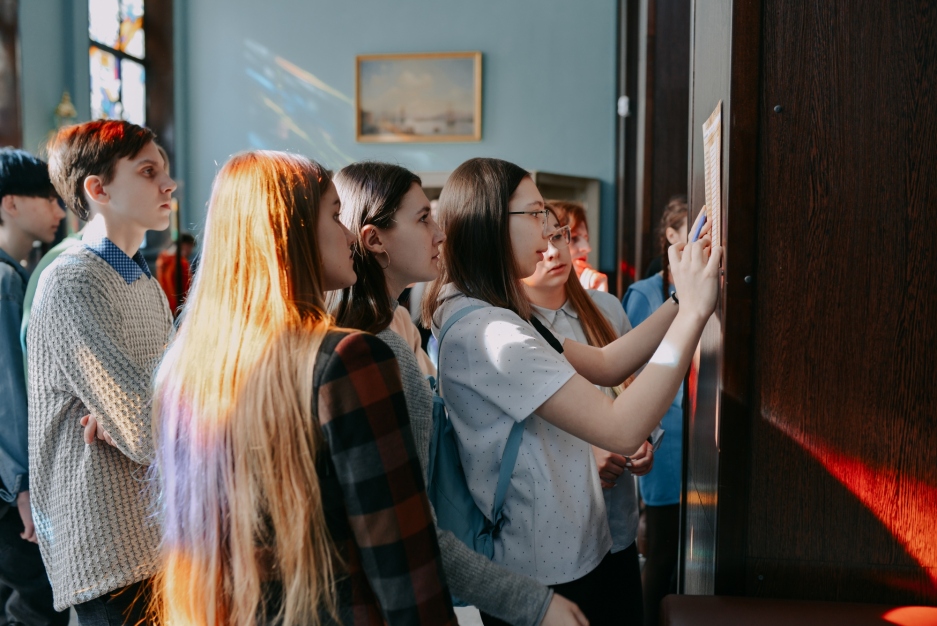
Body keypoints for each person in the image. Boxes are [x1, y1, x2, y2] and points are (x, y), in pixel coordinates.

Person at [152, 151, 456, 626]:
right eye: (335, 216)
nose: (349, 235)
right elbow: (403, 560)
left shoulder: (181, 368)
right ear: (287, 233)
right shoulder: (348, 359)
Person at [423, 158, 720, 625]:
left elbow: (606, 363)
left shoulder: (491, 308)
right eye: (535, 214)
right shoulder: (490, 333)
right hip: (543, 565)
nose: (548, 232)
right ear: (492, 222)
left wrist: (683, 299)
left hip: (570, 546)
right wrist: (695, 313)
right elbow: (622, 428)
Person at [333, 161, 587, 626]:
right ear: (374, 239)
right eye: (423, 219)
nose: (439, 234)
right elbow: (409, 525)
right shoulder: (379, 350)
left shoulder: (393, 327)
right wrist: (533, 604)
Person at [28, 120, 176, 623]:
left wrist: (136, 413)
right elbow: (145, 427)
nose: (168, 184)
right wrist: (134, 416)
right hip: (108, 547)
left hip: (156, 536)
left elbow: (167, 398)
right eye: (148, 171)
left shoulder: (141, 279)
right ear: (98, 189)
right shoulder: (72, 281)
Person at [522, 206, 654, 625]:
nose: (552, 252)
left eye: (558, 237)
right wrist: (586, 454)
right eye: (539, 244)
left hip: (618, 526)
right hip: (557, 540)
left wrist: (642, 439)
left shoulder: (606, 307)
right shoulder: (517, 328)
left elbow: (636, 389)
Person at [0, 148, 68, 626]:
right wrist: (25, 487)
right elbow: (9, 396)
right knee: (37, 605)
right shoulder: (7, 280)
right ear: (10, 204)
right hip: (12, 490)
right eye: (47, 197)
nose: (59, 210)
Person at [621, 196, 688, 626]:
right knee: (661, 550)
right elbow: (625, 372)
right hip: (664, 434)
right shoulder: (645, 294)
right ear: (671, 235)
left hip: (696, 433)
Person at [547, 200, 608, 292]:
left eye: (586, 239)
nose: (587, 248)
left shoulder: (595, 284)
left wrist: (599, 295)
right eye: (574, 238)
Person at [155, 231, 195, 316]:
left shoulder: (162, 259)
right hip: (179, 308)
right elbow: (187, 288)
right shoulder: (182, 263)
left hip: (163, 306)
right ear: (184, 245)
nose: (190, 251)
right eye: (190, 247)